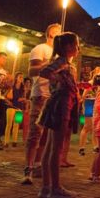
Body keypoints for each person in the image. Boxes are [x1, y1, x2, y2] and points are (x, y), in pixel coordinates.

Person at [38, 32, 80, 198]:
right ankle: (55, 187)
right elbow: (45, 72)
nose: (78, 48)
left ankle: (46, 187)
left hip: (59, 105)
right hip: (60, 106)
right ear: (69, 47)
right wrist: (59, 78)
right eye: (76, 45)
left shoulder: (66, 63)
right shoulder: (61, 61)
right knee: (56, 148)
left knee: (50, 147)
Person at [22, 23, 61, 185]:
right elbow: (32, 71)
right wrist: (49, 63)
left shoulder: (60, 55)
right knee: (35, 133)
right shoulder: (40, 49)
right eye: (59, 32)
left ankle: (39, 164)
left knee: (47, 135)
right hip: (40, 95)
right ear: (51, 34)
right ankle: (28, 168)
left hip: (55, 96)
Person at [79, 66, 100, 156]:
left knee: (96, 127)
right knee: (87, 126)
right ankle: (82, 147)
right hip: (89, 103)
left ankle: (95, 146)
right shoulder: (90, 83)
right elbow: (84, 96)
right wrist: (83, 106)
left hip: (97, 104)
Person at [4, 72, 26, 147]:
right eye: (20, 77)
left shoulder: (23, 88)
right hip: (11, 107)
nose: (21, 79)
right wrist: (9, 102)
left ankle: (14, 141)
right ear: (16, 78)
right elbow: (4, 96)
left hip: (19, 108)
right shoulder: (11, 87)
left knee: (17, 124)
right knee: (9, 124)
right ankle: (6, 141)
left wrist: (23, 99)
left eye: (22, 77)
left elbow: (24, 98)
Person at [22, 77, 32, 143]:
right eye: (27, 82)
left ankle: (25, 139)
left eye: (29, 82)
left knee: (26, 124)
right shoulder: (21, 90)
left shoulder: (31, 91)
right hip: (19, 109)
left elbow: (31, 100)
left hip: (27, 109)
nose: (28, 84)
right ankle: (13, 140)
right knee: (17, 123)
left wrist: (27, 101)